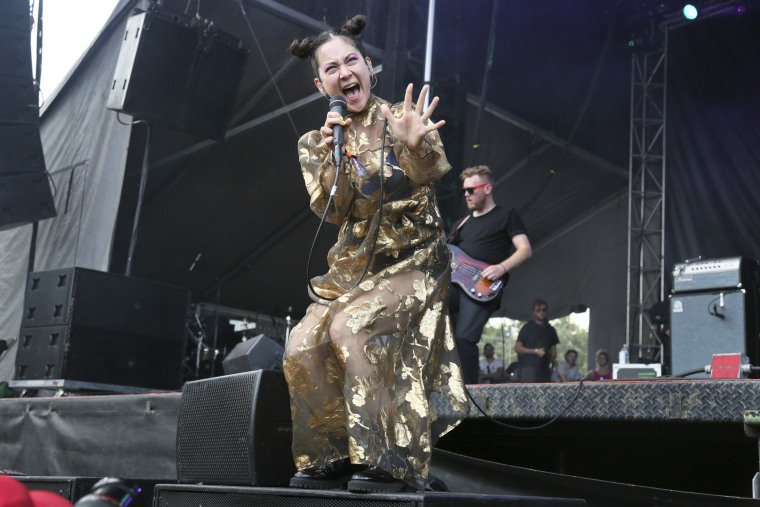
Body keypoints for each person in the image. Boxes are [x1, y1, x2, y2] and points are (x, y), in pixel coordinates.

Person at [283, 15, 467, 494]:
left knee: (352, 327)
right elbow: (333, 209)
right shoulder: (317, 142)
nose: (344, 73)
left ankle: (389, 459)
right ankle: (334, 456)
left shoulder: (401, 115)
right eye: (332, 69)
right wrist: (332, 160)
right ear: (322, 85)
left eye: (351, 61)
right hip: (354, 265)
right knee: (301, 345)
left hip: (415, 258)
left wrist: (416, 145)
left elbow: (431, 172)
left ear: (369, 67)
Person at [447, 165, 532, 384]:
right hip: (455, 284)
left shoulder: (506, 216)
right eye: (464, 190)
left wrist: (502, 267)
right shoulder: (461, 224)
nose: (466, 194)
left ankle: (469, 392)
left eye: (471, 189)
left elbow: (525, 249)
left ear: (487, 188)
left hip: (482, 285)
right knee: (428, 309)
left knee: (465, 337)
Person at [514, 299, 559, 382]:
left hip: (545, 369)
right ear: (534, 312)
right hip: (529, 368)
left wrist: (552, 358)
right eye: (538, 310)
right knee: (528, 394)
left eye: (544, 310)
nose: (541, 312)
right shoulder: (527, 328)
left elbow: (554, 352)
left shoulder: (551, 330)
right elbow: (517, 348)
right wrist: (536, 351)